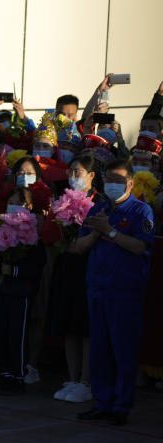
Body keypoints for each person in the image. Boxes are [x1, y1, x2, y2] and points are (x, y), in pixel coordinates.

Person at [73, 160, 155, 425]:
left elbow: (140, 247)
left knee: (123, 350)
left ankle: (121, 405)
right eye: (109, 179)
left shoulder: (141, 211)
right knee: (99, 349)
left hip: (125, 291)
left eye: (118, 179)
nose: (113, 184)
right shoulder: (97, 209)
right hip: (97, 288)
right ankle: (102, 401)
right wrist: (98, 233)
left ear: (130, 182)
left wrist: (109, 230)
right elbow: (78, 246)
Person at [50, 155, 100, 403]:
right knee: (69, 325)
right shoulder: (62, 199)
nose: (73, 176)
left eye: (78, 172)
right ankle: (72, 377)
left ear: (92, 176)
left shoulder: (99, 203)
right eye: (71, 171)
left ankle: (86, 381)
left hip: (89, 269)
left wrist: (78, 244)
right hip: (67, 267)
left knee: (85, 327)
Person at [0, 189, 46, 395]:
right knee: (1, 331)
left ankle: (17, 374)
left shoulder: (32, 233)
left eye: (18, 203)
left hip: (20, 291)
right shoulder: (0, 225)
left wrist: (14, 270)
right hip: (2, 287)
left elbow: (37, 264)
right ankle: (4, 372)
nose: (13, 206)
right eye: (10, 202)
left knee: (17, 333)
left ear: (28, 207)